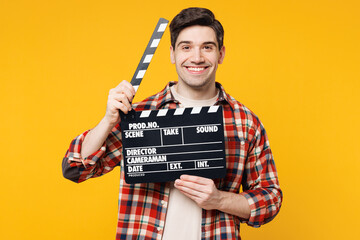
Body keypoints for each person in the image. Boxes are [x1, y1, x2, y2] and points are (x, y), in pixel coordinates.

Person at [62, 7, 282, 240]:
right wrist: (108, 120)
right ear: (172, 54)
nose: (196, 57)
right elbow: (75, 169)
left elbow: (271, 199)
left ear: (221, 54)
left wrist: (219, 199)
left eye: (207, 47)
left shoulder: (244, 122)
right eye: (186, 47)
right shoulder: (138, 114)